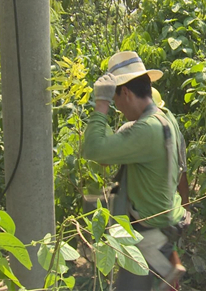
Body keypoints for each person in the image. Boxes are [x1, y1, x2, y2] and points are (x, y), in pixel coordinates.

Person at [82, 51, 189, 290]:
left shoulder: (145, 130)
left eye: (116, 101)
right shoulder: (164, 118)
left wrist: (101, 104)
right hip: (166, 220)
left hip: (149, 232)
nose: (118, 108)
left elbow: (93, 149)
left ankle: (167, 270)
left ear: (126, 93)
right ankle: (168, 270)